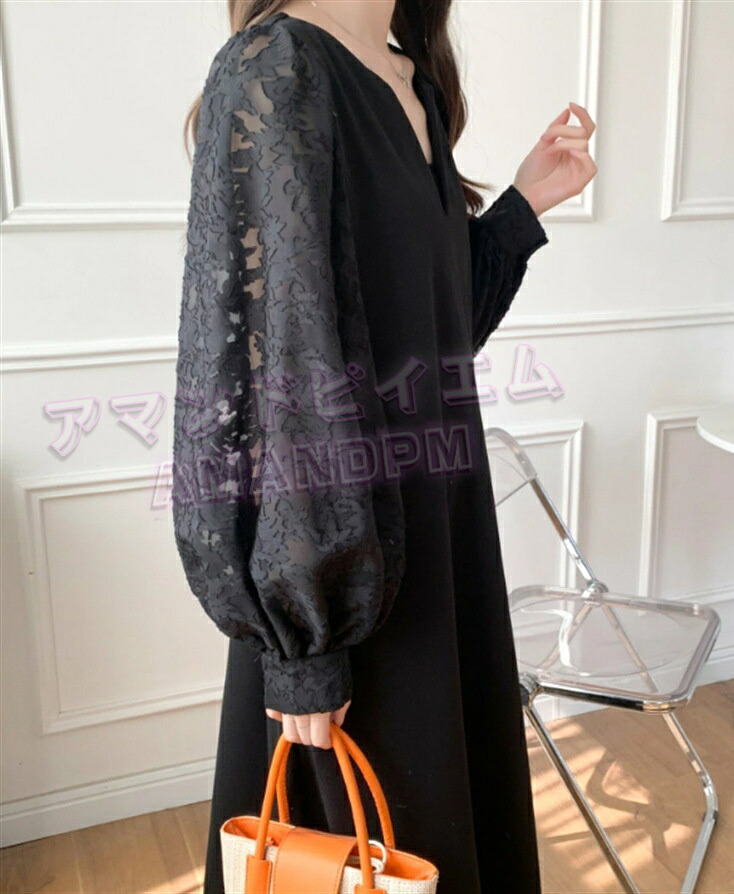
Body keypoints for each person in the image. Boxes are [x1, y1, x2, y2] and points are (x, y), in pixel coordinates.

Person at [171, 1, 596, 891]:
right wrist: (304, 646)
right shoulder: (278, 69)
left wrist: (522, 205)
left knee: (439, 840)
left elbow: (436, 332)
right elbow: (269, 379)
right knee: (363, 851)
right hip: (352, 573)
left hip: (441, 538)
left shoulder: (412, 80)